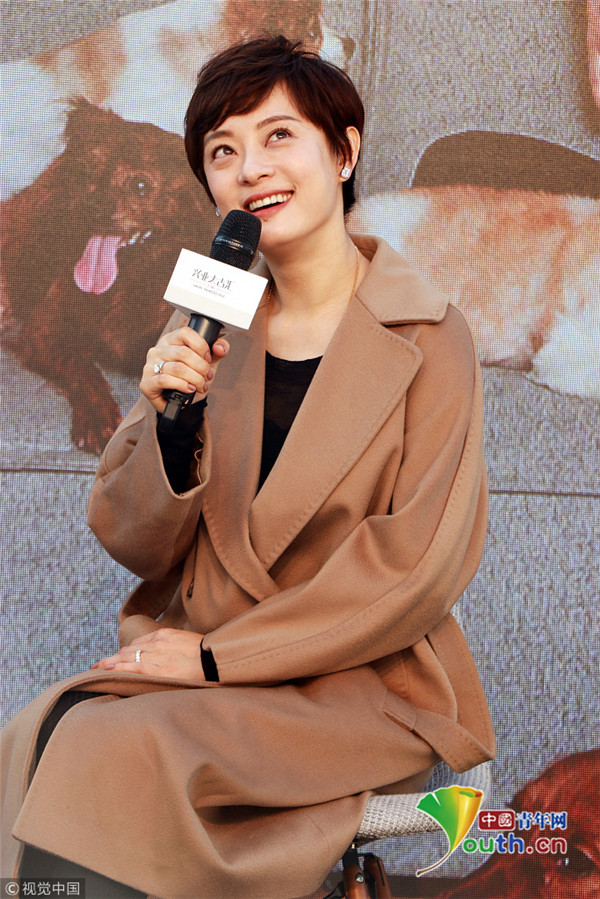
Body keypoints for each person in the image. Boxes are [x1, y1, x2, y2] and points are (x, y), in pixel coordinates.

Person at [1, 36, 495, 899]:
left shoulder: (429, 336)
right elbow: (133, 538)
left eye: (277, 136)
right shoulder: (205, 315)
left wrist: (216, 659)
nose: (249, 168)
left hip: (357, 684)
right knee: (42, 737)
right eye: (223, 150)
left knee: (106, 751)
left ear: (342, 152)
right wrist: (169, 426)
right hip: (198, 667)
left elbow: (414, 566)